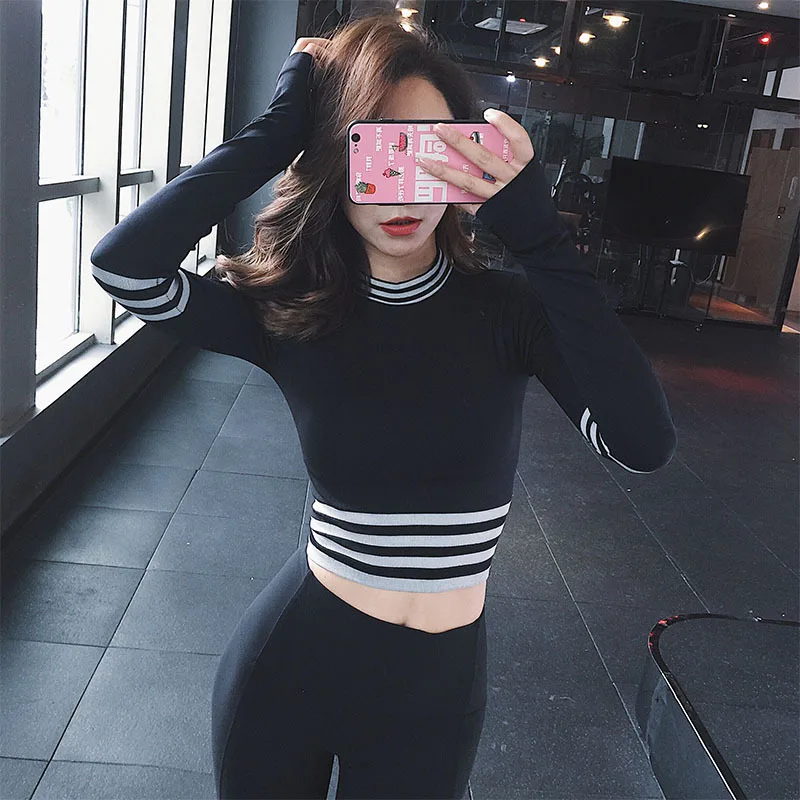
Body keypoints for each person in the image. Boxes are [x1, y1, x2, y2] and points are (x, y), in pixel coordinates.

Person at [90, 12, 676, 800]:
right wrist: (277, 133)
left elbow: (642, 443)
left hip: (436, 692)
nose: (402, 186)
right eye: (374, 147)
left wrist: (542, 242)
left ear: (465, 160)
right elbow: (124, 269)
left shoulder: (511, 311)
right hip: (291, 666)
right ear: (335, 159)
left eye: (429, 150)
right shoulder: (290, 310)